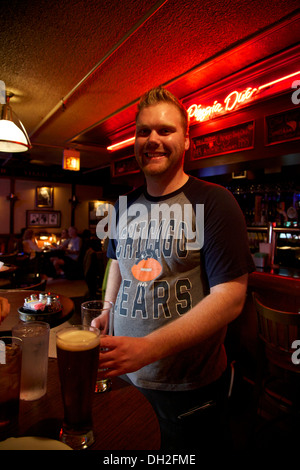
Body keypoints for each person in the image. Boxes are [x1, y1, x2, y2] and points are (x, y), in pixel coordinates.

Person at [95, 87, 255, 452]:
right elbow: (117, 263)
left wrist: (148, 348)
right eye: (143, 131)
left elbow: (230, 298)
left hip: (187, 391)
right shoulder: (123, 205)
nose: (152, 139)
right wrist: (106, 309)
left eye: (165, 130)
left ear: (186, 141)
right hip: (125, 375)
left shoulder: (214, 202)